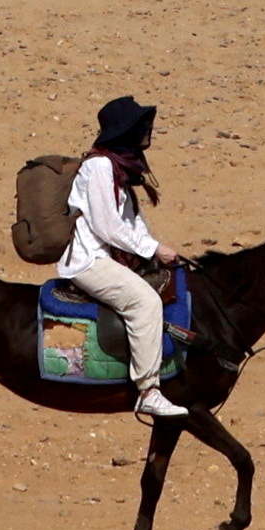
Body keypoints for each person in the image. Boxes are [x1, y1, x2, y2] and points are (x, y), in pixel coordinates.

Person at [56, 95, 186, 424]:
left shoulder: (121, 167)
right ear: (127, 130)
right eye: (143, 125)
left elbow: (131, 222)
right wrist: (153, 249)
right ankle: (148, 391)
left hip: (112, 258)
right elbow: (108, 226)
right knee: (144, 303)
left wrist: (155, 249)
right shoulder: (99, 167)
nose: (149, 130)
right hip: (90, 262)